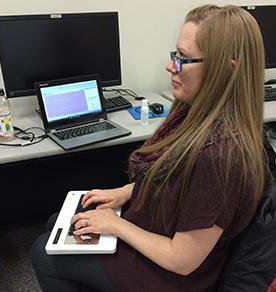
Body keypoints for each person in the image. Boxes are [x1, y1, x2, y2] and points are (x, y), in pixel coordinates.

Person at [31, 4, 266, 291]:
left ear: (227, 70)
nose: (170, 66)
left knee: (45, 252)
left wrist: (116, 225)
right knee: (60, 222)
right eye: (174, 54)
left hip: (171, 276)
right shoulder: (192, 112)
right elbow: (171, 179)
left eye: (184, 59)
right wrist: (123, 193)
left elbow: (183, 260)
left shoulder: (219, 155)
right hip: (158, 228)